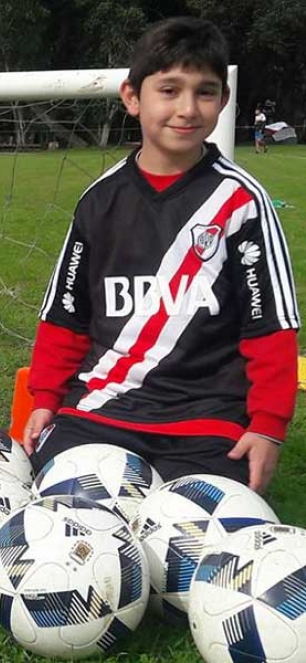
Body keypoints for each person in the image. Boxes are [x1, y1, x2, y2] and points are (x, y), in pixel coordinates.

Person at [21, 17, 299, 494]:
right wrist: (45, 399)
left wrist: (267, 425)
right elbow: (67, 317)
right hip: (102, 409)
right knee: (60, 516)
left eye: (205, 92)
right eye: (169, 90)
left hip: (206, 421)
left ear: (224, 101)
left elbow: (269, 327)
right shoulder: (99, 201)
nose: (187, 109)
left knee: (197, 541)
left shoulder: (241, 202)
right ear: (132, 97)